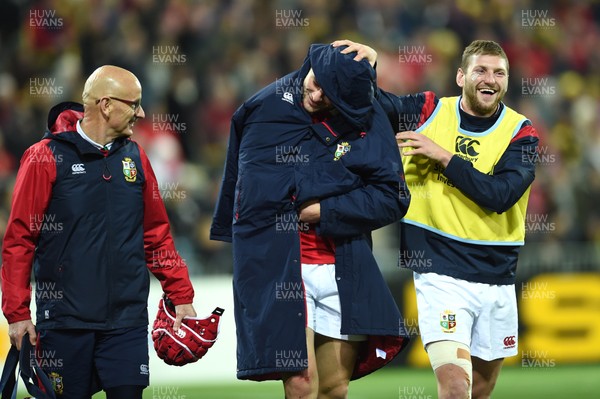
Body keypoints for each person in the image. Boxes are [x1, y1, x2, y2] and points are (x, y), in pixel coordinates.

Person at [334, 39, 539, 399]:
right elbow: (376, 105)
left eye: (499, 72)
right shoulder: (428, 110)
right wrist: (368, 68)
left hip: (496, 277)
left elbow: (500, 196)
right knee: (457, 387)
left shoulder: (521, 133)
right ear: (461, 76)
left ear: (506, 81)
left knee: (480, 390)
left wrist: (444, 156)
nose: (489, 78)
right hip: (440, 273)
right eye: (480, 70)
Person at [210, 44, 411, 398]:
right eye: (314, 82)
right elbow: (258, 194)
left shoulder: (363, 113)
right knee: (301, 384)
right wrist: (347, 181)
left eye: (328, 94)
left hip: (344, 263)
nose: (315, 95)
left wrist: (324, 209)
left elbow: (391, 198)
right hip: (285, 265)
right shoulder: (266, 108)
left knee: (335, 388)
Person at [1, 65, 197, 399]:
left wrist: (180, 293)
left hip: (126, 322)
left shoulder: (136, 158)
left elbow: (156, 233)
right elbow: (20, 239)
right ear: (106, 105)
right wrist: (17, 314)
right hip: (65, 323)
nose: (142, 112)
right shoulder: (44, 157)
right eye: (134, 104)